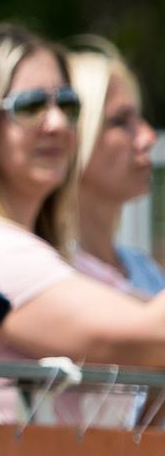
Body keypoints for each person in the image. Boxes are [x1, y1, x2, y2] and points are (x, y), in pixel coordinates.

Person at [0, 24, 165, 423]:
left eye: (67, 104)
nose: (58, 123)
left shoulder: (38, 251)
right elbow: (148, 336)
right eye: (30, 106)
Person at [68, 38, 165, 297]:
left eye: (140, 118)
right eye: (120, 121)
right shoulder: (51, 273)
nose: (148, 137)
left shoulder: (144, 269)